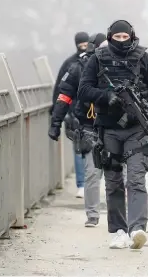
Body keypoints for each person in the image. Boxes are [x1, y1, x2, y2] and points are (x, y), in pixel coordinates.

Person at [77, 20, 148, 250]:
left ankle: (138, 229)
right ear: (110, 37)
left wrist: (141, 108)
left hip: (137, 130)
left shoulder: (145, 58)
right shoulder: (97, 58)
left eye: (126, 37)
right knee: (114, 182)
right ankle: (118, 231)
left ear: (132, 36)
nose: (122, 41)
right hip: (108, 129)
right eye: (118, 37)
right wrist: (107, 98)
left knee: (136, 178)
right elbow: (83, 90)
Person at [48, 33, 106, 227]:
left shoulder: (119, 66)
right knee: (92, 172)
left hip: (116, 127)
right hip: (89, 126)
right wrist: (56, 122)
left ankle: (120, 215)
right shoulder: (76, 68)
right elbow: (63, 95)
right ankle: (92, 215)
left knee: (120, 174)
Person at [50, 31, 89, 198]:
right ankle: (82, 184)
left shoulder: (72, 63)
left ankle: (86, 183)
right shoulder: (70, 64)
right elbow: (61, 89)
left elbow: (59, 88)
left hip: (87, 113)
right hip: (74, 113)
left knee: (85, 149)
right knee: (79, 148)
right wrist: (57, 113)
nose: (83, 48)